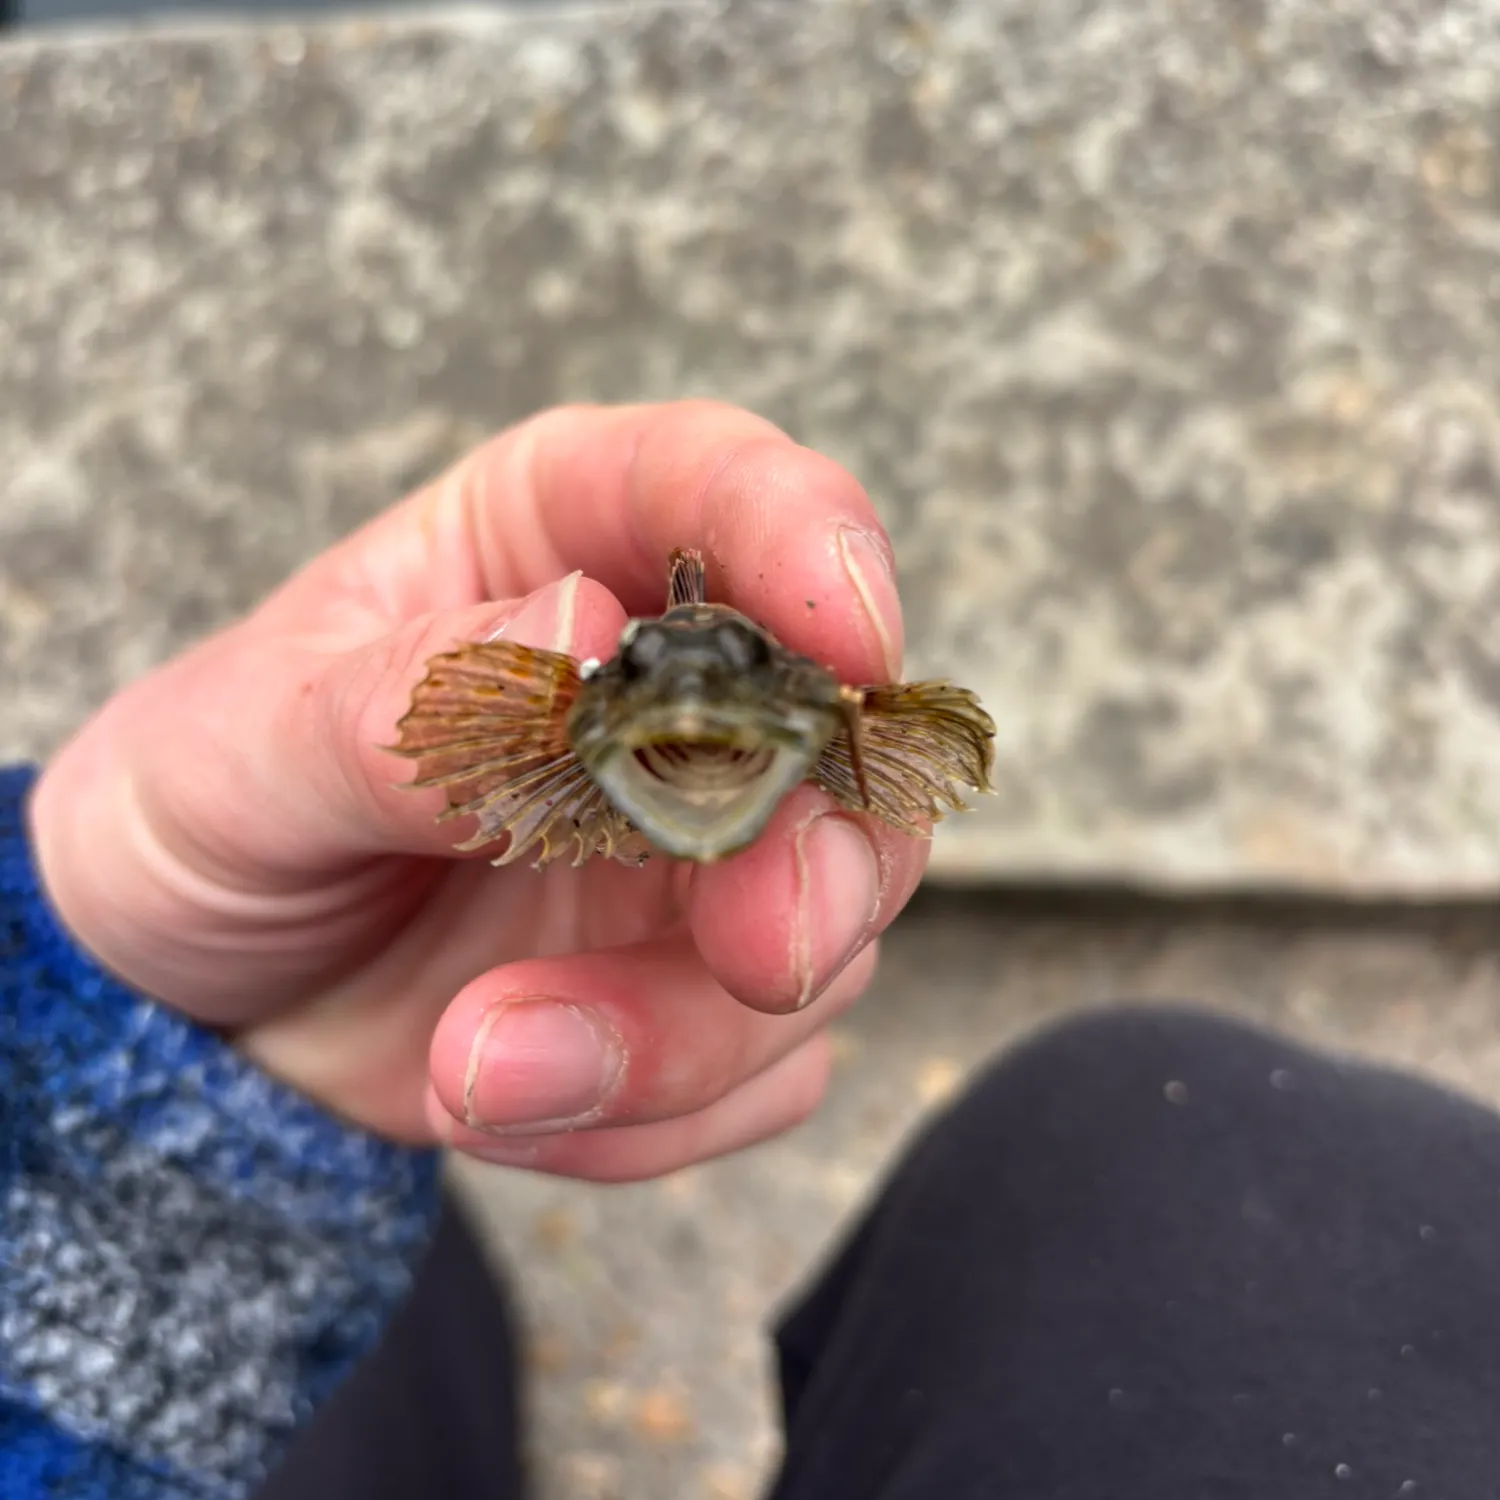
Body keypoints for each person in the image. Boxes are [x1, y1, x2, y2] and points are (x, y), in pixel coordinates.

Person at [4, 400, 1499, 1500]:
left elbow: (934, 750)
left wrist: (124, 1021)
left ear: (835, 729)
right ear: (580, 712)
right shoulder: (536, 729)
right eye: (649, 688)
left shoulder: (838, 741)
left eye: (763, 695)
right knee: (1159, 1143)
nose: (700, 715)